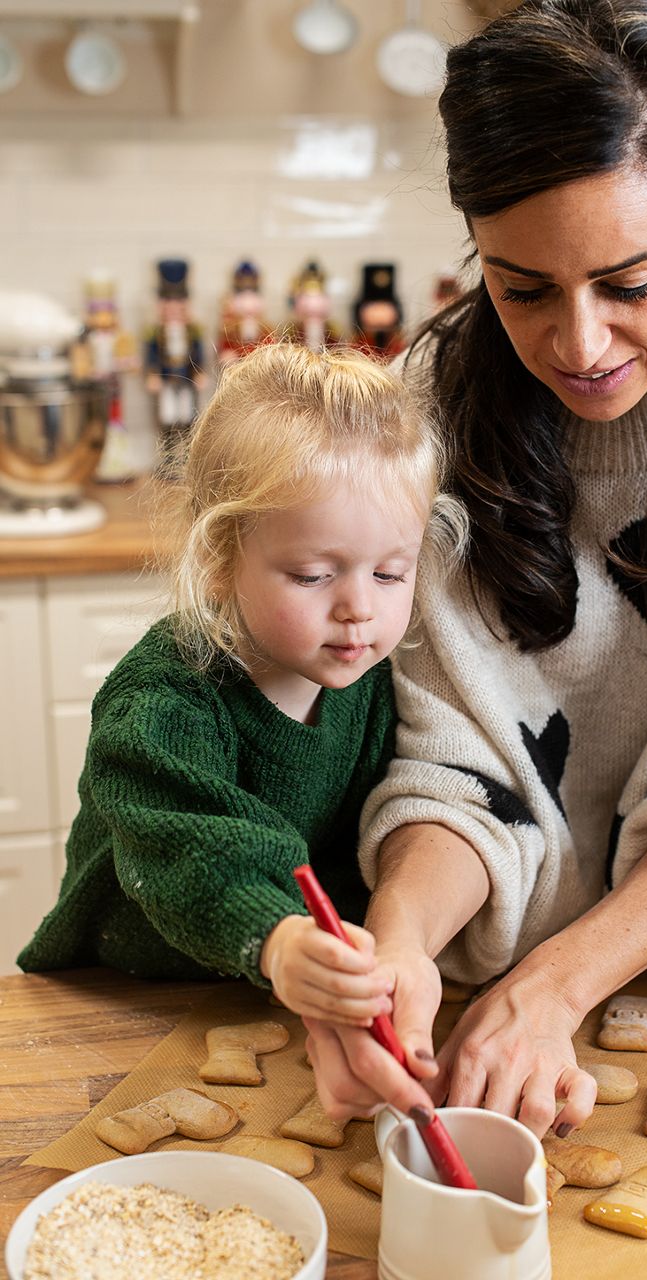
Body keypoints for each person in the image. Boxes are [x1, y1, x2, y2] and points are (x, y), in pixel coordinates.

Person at [304, 0, 647, 1138]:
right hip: (472, 992)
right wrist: (397, 941)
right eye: (520, 290)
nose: (580, 345)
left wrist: (554, 986)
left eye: (627, 283)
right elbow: (454, 756)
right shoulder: (427, 414)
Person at [17, 341, 467, 1030]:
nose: (359, 609)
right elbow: (192, 847)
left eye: (389, 573)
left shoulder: (376, 679)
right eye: (315, 575)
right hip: (128, 996)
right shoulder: (164, 698)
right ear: (220, 559)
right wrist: (281, 938)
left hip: (279, 995)